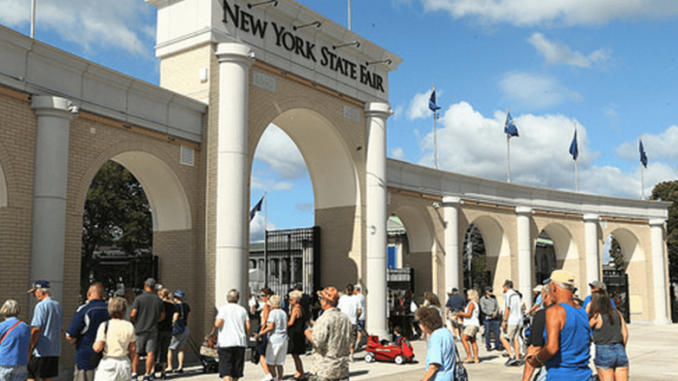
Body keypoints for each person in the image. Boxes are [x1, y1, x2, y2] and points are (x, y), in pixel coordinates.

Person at [525, 270, 593, 381]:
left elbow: (552, 348)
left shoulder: (555, 310)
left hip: (561, 375)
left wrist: (536, 358)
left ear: (554, 287)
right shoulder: (582, 311)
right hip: (584, 375)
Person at [304, 287, 352, 381]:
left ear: (324, 301)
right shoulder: (345, 318)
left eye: (320, 299)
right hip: (342, 367)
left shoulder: (324, 318)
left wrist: (308, 333)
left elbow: (318, 341)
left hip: (325, 368)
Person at [65, 283, 110, 381]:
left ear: (89, 294)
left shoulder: (85, 310)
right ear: (103, 294)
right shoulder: (111, 309)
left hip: (86, 357)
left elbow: (70, 334)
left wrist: (74, 341)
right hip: (108, 357)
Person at [92, 296, 137, 381]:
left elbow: (98, 348)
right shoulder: (129, 326)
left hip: (109, 362)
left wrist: (94, 345)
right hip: (124, 362)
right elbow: (133, 348)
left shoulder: (105, 325)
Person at [27, 280, 64, 381]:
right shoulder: (58, 306)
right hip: (54, 350)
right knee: (48, 377)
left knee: (32, 376)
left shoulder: (41, 306)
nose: (35, 295)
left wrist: (31, 347)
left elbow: (36, 329)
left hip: (40, 351)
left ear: (41, 291)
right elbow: (61, 329)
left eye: (35, 292)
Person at [130, 278, 165, 381]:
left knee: (136, 352)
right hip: (153, 329)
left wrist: (134, 321)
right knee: (151, 352)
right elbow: (162, 316)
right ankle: (147, 374)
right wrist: (154, 320)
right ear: (154, 288)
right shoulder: (158, 300)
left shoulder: (139, 299)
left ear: (145, 286)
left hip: (139, 329)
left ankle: (134, 374)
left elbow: (133, 314)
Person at [589, 289, 629, 381]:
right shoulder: (617, 313)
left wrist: (587, 309)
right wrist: (622, 347)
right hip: (619, 349)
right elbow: (625, 334)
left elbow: (584, 329)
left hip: (604, 349)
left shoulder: (596, 316)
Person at [214, 289, 250, 381]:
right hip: (239, 342)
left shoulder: (223, 309)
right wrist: (246, 336)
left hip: (226, 342)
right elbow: (248, 326)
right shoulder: (243, 310)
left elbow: (218, 323)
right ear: (238, 298)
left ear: (227, 298)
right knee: (236, 369)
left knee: (226, 369)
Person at [522, 281, 554, 381]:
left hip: (552, 370)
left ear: (545, 295)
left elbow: (533, 349)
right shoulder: (578, 312)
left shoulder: (542, 315)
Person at [415, 306, 455, 381]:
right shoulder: (446, 332)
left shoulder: (436, 337)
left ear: (425, 325)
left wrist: (424, 379)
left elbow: (434, 365)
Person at [257, 295, 288, 381]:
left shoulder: (273, 313)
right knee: (280, 362)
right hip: (284, 338)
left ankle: (274, 377)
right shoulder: (283, 313)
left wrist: (261, 333)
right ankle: (280, 378)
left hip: (275, 339)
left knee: (271, 362)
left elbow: (271, 326)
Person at [0, 299, 32, 381]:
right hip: (21, 362)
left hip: (4, 362)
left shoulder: (2, 326)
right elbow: (29, 344)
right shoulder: (26, 327)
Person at [500, 279, 522, 366]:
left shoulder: (507, 295)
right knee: (515, 339)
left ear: (506, 287)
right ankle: (517, 357)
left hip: (511, 320)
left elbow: (507, 308)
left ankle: (511, 356)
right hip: (519, 319)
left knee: (502, 337)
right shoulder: (516, 294)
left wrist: (505, 320)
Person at [167, 290, 190, 374]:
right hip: (185, 328)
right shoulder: (186, 306)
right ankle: (180, 366)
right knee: (181, 349)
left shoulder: (176, 307)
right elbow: (187, 318)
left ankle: (170, 366)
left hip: (177, 329)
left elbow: (176, 317)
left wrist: (172, 324)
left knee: (170, 348)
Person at [455, 289, 480, 364]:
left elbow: (468, 314)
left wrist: (460, 314)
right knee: (473, 341)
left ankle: (469, 356)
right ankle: (476, 357)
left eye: (468, 295)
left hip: (471, 324)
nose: (467, 296)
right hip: (475, 323)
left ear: (472, 295)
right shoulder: (475, 303)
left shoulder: (471, 303)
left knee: (463, 339)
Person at [336, 284, 360, 361]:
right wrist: (356, 317)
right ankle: (351, 355)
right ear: (353, 290)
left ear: (346, 290)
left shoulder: (342, 298)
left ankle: (343, 353)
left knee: (343, 337)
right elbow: (359, 311)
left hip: (344, 321)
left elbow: (338, 309)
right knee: (352, 338)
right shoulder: (356, 299)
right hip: (353, 321)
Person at [287, 290, 306, 381]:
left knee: (295, 354)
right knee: (295, 354)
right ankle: (299, 371)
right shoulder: (301, 308)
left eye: (291, 299)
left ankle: (300, 372)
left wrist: (283, 325)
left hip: (294, 333)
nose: (290, 301)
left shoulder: (295, 309)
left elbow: (291, 322)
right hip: (299, 332)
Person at [156, 289, 175, 379]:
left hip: (159, 329)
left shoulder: (160, 305)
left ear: (161, 295)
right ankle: (163, 371)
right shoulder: (172, 306)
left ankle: (152, 371)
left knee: (155, 351)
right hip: (169, 330)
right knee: (165, 350)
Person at [257, 287, 274, 381]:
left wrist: (261, 332)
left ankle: (268, 373)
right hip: (270, 331)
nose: (261, 297)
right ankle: (272, 373)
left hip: (265, 330)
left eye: (263, 295)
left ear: (268, 296)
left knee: (261, 353)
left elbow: (264, 321)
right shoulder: (273, 305)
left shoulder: (267, 306)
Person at [480, 286, 503, 352]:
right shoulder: (483, 299)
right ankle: (488, 346)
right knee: (487, 332)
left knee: (497, 332)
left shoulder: (494, 298)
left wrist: (496, 312)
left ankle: (497, 345)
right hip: (487, 318)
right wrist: (490, 313)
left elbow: (497, 306)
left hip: (495, 318)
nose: (491, 292)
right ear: (486, 292)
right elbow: (483, 309)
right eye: (490, 291)